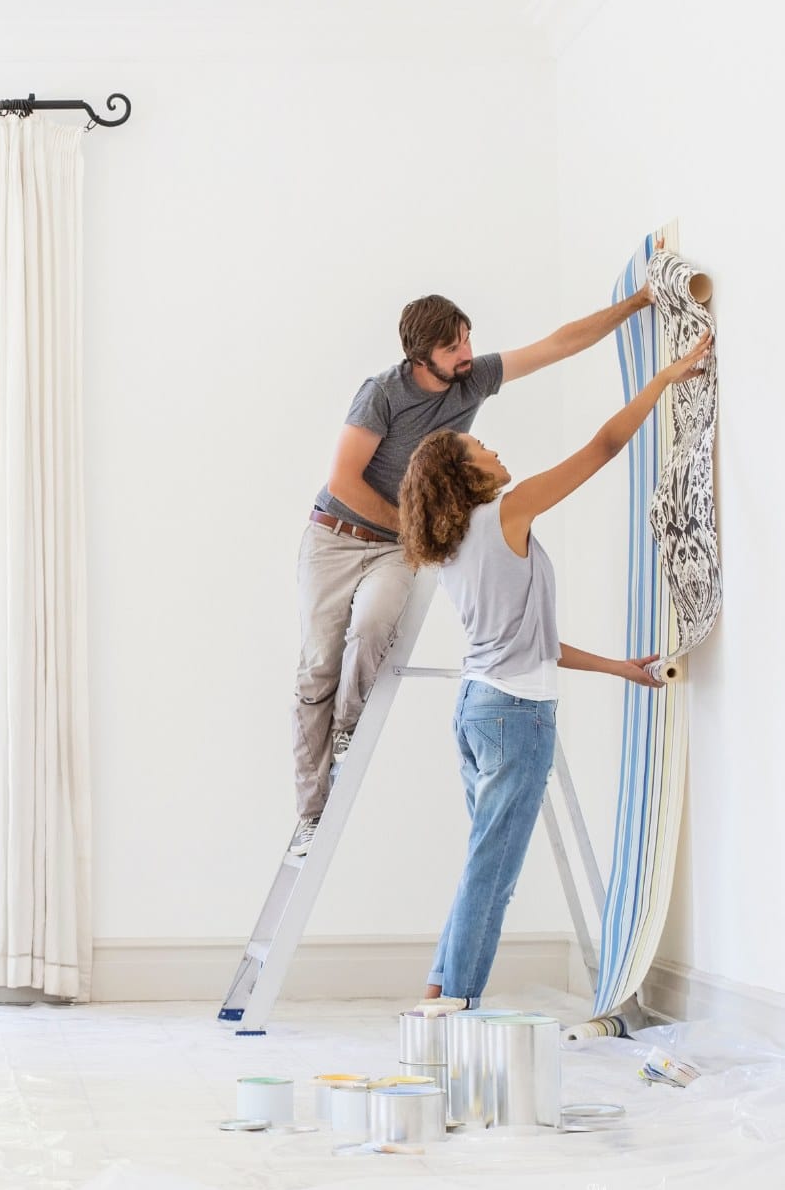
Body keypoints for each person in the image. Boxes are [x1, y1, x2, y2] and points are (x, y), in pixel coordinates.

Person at [396, 329, 712, 1011]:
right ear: (465, 474)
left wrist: (619, 669)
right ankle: (454, 1006)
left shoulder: (454, 547)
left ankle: (439, 991)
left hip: (479, 710)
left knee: (484, 861)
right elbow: (603, 448)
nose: (494, 451)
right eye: (481, 449)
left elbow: (535, 642)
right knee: (493, 870)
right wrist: (664, 380)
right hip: (513, 718)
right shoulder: (504, 513)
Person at [290, 282, 661, 855]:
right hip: (335, 535)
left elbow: (559, 344)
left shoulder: (475, 377)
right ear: (421, 357)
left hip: (396, 548)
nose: (466, 353)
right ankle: (311, 814)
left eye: (467, 338)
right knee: (318, 669)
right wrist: (413, 528)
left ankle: (346, 730)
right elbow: (343, 481)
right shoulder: (382, 393)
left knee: (372, 626)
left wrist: (637, 303)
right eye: (452, 347)